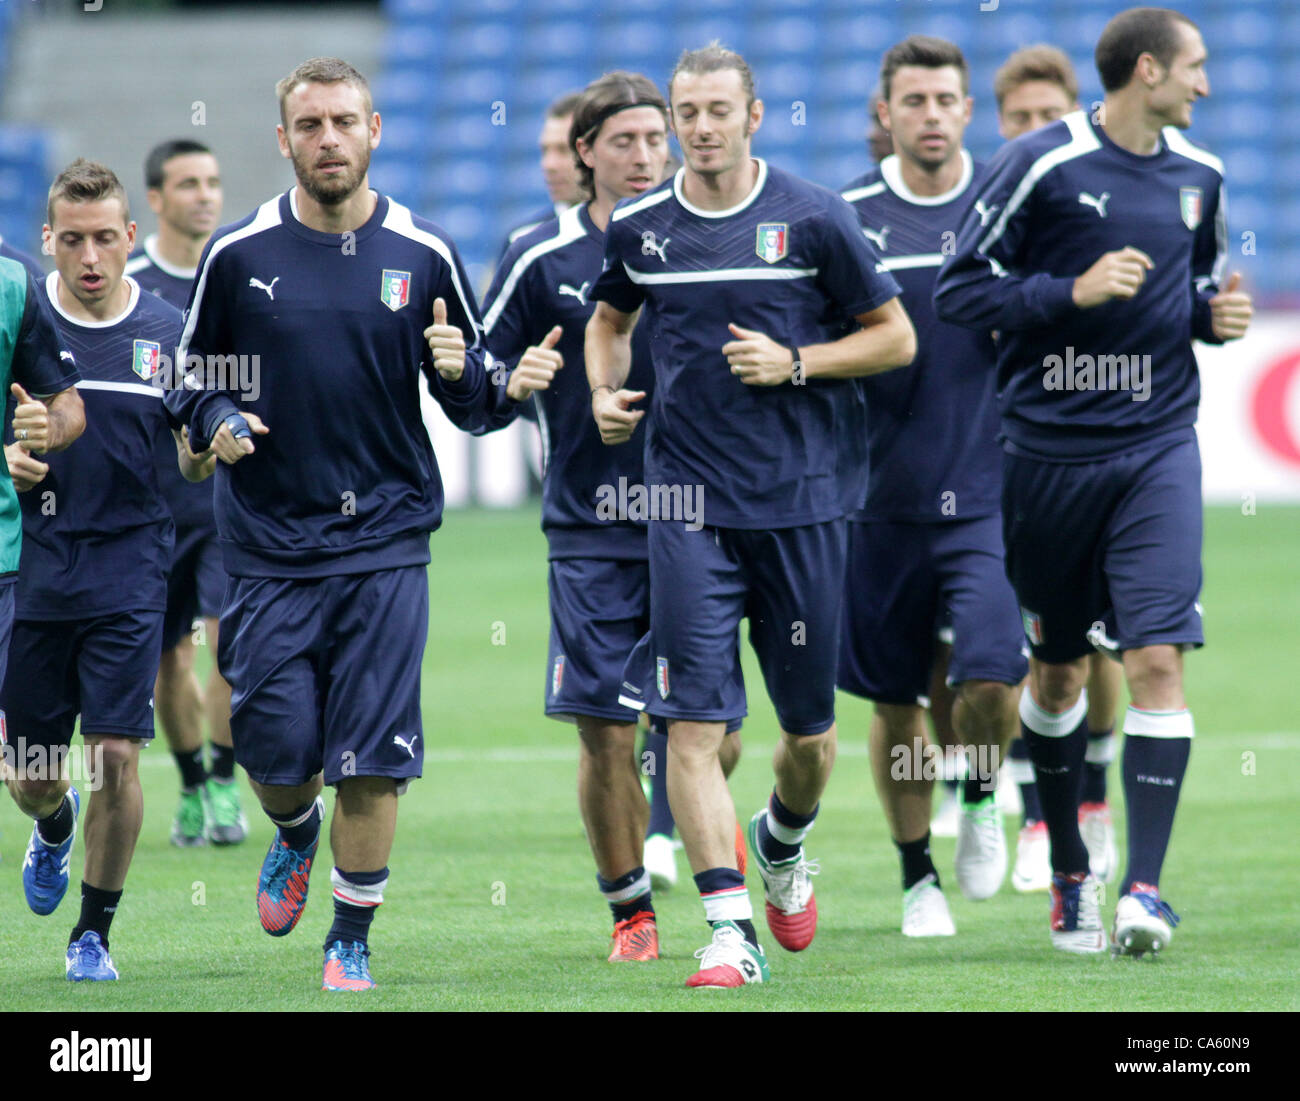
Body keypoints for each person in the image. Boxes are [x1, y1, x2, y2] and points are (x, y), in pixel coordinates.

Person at [586, 43, 914, 988]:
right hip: (686, 505)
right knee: (688, 728)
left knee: (809, 738)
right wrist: (606, 395)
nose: (699, 126)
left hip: (804, 506)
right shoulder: (642, 225)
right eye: (686, 110)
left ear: (753, 116)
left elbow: (895, 337)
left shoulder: (814, 217)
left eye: (717, 109)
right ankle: (730, 930)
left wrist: (798, 362)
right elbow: (610, 320)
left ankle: (781, 841)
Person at [165, 57, 492, 991]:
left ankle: (350, 935)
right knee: (277, 756)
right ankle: (293, 830)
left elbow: (476, 400)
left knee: (374, 758)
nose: (328, 140)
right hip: (268, 549)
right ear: (284, 141)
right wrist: (216, 419)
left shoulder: (425, 252)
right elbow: (183, 377)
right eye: (309, 126)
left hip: (387, 546)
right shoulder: (239, 255)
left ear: (375, 129)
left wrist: (464, 371)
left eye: (344, 122)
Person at [935, 7, 1252, 955]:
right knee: (1059, 667)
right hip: (1046, 457)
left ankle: (1144, 891)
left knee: (1156, 657)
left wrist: (1210, 319)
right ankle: (1071, 869)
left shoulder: (1205, 174)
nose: (1205, 85)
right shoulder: (1041, 162)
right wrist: (1066, 292)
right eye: (1193, 68)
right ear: (1147, 68)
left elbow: (1188, 290)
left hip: (1158, 444)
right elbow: (958, 291)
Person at [838, 35, 1028, 937]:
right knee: (897, 702)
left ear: (967, 111)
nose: (930, 115)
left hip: (989, 493)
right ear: (886, 114)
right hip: (874, 502)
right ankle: (918, 877)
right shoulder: (845, 218)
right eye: (911, 101)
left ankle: (983, 794)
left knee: (992, 678)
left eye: (945, 100)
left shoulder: (1007, 208)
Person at [2, 159, 190, 982]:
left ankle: (93, 933)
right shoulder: (19, 312)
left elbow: (189, 453)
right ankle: (53, 822)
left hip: (129, 565)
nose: (88, 256)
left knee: (116, 750)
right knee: (32, 781)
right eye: (71, 239)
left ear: (130, 239)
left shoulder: (168, 329)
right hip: (33, 569)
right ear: (48, 240)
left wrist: (208, 452)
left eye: (104, 238)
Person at [991, 43, 1122, 892]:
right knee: (1034, 648)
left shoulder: (1111, 204)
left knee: (1117, 639)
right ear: (999, 127)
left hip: (1115, 448)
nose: (1035, 133)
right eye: (1019, 121)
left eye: (1049, 117)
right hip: (1015, 454)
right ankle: (1031, 798)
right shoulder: (991, 210)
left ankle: (1091, 796)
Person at [125, 139, 246, 848]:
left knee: (231, 649)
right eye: (189, 183)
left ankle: (227, 783)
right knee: (171, 656)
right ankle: (195, 784)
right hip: (151, 511)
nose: (205, 194)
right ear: (157, 199)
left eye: (213, 180)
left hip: (229, 504)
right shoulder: (130, 285)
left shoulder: (236, 271)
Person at [498, 91, 586, 256]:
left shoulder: (633, 235)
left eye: (564, 150)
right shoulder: (521, 241)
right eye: (545, 150)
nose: (548, 165)